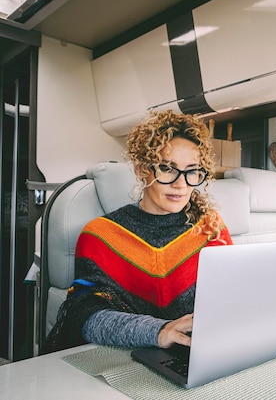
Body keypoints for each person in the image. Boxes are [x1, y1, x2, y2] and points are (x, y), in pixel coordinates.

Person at [42, 110, 233, 353]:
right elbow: (84, 317)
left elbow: (230, 298)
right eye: (167, 168)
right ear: (143, 169)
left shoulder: (210, 227)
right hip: (122, 360)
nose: (181, 184)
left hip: (199, 355)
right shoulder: (100, 235)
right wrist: (158, 331)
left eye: (192, 171)